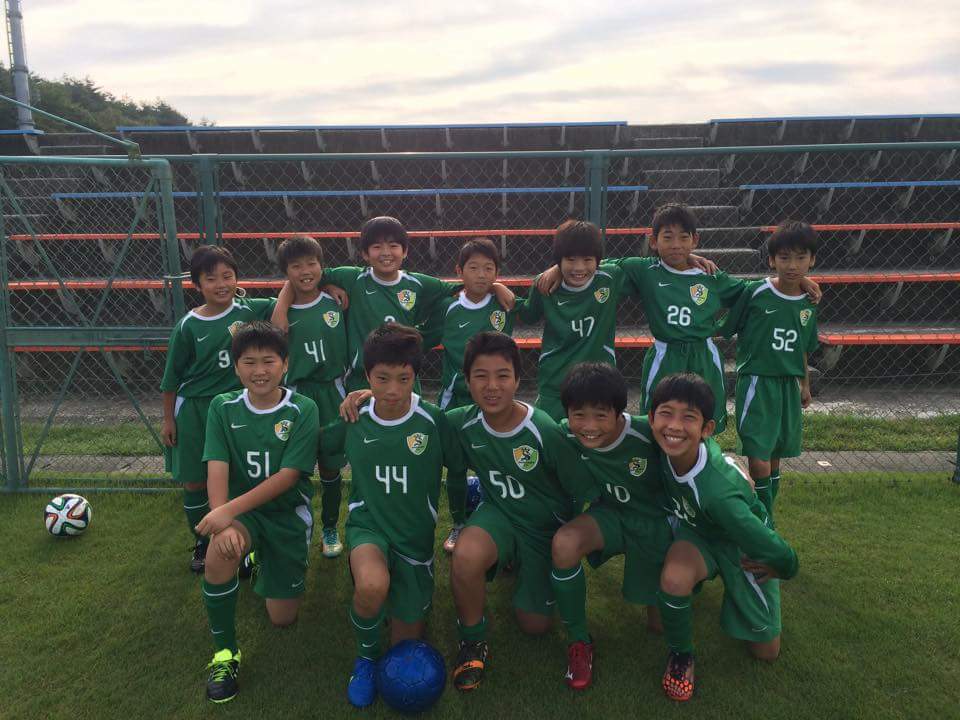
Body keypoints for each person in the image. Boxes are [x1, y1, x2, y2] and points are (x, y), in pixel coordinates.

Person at [321, 323, 465, 708]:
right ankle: (366, 659)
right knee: (371, 586)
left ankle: (394, 600)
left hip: (415, 541)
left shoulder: (433, 421)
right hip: (369, 526)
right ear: (367, 376)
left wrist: (461, 521)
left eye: (404, 378)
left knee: (406, 643)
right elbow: (321, 449)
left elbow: (458, 469)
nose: (392, 390)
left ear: (415, 376)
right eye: (382, 378)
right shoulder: (355, 418)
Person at [444, 332, 597, 692]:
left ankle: (518, 563)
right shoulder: (460, 422)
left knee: (534, 625)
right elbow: (411, 413)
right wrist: (368, 396)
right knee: (465, 554)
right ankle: (472, 640)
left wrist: (566, 541)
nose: (492, 386)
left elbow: (581, 489)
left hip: (543, 530)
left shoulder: (543, 430)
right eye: (481, 376)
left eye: (502, 375)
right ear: (467, 381)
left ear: (517, 380)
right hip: (499, 514)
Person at [649, 373, 799, 702]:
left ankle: (743, 591)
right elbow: (611, 421)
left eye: (688, 417)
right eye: (666, 413)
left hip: (740, 545)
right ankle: (681, 655)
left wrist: (785, 567)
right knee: (672, 582)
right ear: (651, 418)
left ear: (707, 428)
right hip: (699, 533)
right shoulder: (659, 444)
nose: (674, 426)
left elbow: (768, 543)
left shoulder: (719, 493)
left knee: (766, 652)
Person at [194, 321, 320, 704]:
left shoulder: (303, 409)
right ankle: (225, 654)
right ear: (236, 367)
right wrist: (224, 524)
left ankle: (260, 558)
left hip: (286, 515)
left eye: (269, 361)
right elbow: (217, 467)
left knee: (282, 618)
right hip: (243, 516)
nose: (259, 370)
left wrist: (226, 512)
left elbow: (288, 477)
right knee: (219, 554)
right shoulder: (222, 407)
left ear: (286, 364)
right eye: (249, 362)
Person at [549, 362, 672, 690]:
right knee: (564, 543)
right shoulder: (564, 433)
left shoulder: (647, 432)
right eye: (579, 415)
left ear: (619, 413)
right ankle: (579, 641)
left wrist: (731, 463)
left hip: (655, 524)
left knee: (660, 625)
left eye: (600, 415)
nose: (589, 427)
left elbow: (696, 446)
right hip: (611, 516)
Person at [160, 245, 273, 572]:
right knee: (195, 482)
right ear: (197, 285)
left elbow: (288, 299)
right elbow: (171, 378)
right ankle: (203, 542)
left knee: (240, 481)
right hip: (196, 410)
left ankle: (244, 544)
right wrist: (168, 419)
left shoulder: (250, 311)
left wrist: (330, 286)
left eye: (227, 276)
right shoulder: (188, 326)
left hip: (237, 409)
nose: (221, 284)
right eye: (211, 279)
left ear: (237, 278)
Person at [719, 221, 819, 522]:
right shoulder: (756, 292)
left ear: (812, 260)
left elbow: (802, 347)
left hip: (788, 385)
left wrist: (804, 383)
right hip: (757, 381)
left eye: (801, 258)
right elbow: (728, 327)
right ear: (772, 260)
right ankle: (764, 520)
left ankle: (765, 516)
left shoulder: (809, 302)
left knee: (775, 456)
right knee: (758, 455)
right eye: (785, 258)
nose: (793, 265)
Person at [435, 237, 517, 553]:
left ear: (497, 272)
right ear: (459, 271)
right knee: (456, 465)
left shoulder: (504, 305)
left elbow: (535, 306)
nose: (481, 275)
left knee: (497, 460)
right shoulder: (448, 308)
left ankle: (503, 517)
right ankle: (459, 523)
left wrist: (501, 289)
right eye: (473, 268)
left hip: (495, 400)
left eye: (488, 268)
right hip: (456, 399)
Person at [271, 235, 350, 557]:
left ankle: (330, 528)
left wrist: (328, 285)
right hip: (297, 396)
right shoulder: (278, 312)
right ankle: (292, 528)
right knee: (293, 469)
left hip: (333, 391)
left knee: (330, 468)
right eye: (296, 266)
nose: (305, 271)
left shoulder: (336, 301)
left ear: (321, 265)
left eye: (311, 263)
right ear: (286, 272)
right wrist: (281, 302)